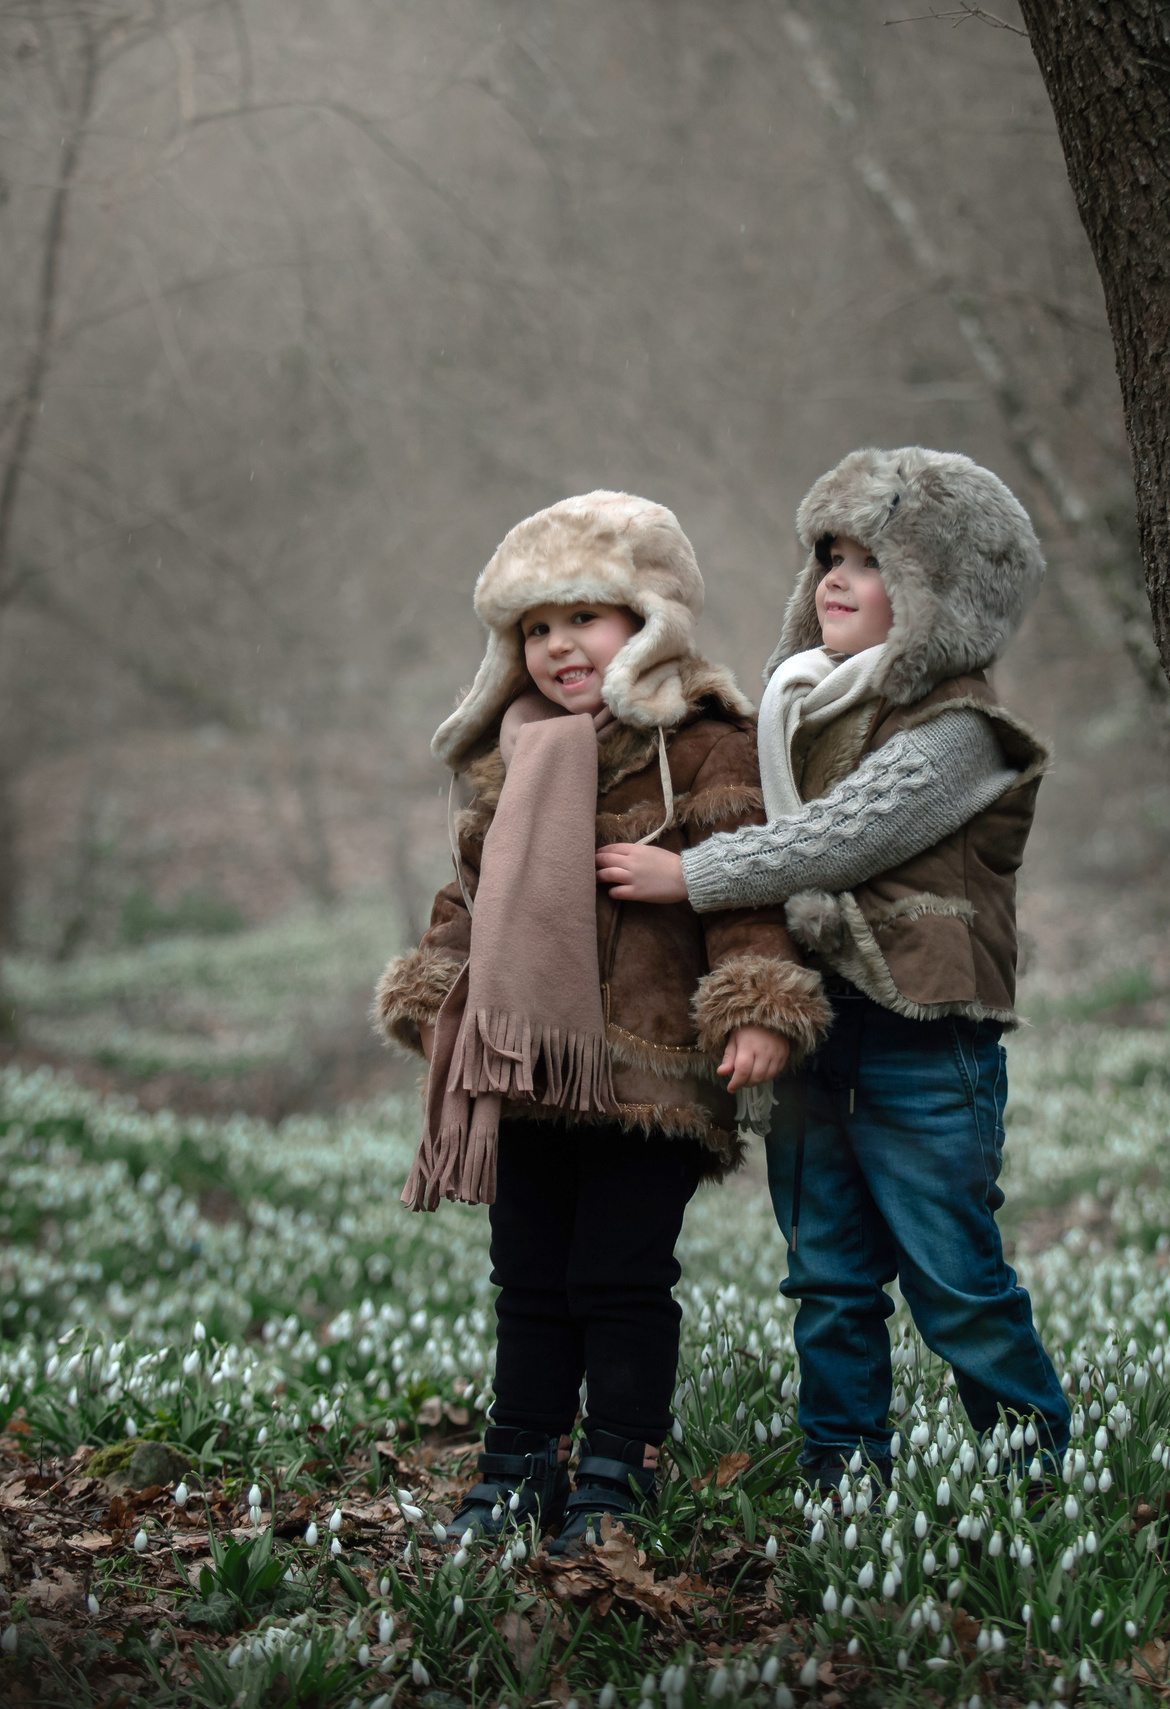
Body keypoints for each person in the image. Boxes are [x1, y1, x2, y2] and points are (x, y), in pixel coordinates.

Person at [597, 447, 1068, 1485]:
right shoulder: (796, 707)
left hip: (922, 1039)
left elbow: (836, 840)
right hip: (818, 1032)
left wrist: (690, 874)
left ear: (946, 593)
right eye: (829, 556)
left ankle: (1033, 1480)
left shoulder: (961, 732)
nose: (836, 580)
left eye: (873, 561)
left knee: (955, 1280)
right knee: (828, 1278)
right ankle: (842, 1481)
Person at [376, 490, 831, 1551]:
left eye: (583, 616)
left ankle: (619, 1465)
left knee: (619, 1275)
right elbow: (471, 899)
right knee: (527, 1271)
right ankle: (516, 1461)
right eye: (534, 628)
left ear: (650, 618)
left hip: (654, 1067)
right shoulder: (515, 753)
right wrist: (437, 995)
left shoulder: (702, 744)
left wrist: (755, 1004)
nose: (556, 646)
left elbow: (748, 886)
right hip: (524, 1059)